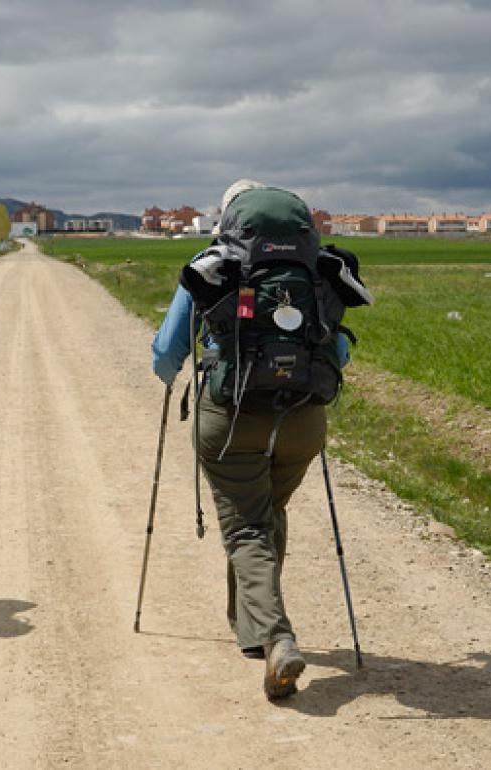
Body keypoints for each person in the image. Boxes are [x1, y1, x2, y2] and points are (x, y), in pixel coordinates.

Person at [151, 180, 367, 699]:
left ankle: (274, 636)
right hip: (302, 419)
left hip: (231, 417)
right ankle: (251, 629)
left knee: (246, 525)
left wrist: (177, 368)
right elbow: (338, 354)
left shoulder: (211, 266)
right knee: (266, 512)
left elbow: (165, 355)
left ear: (230, 220)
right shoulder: (319, 270)